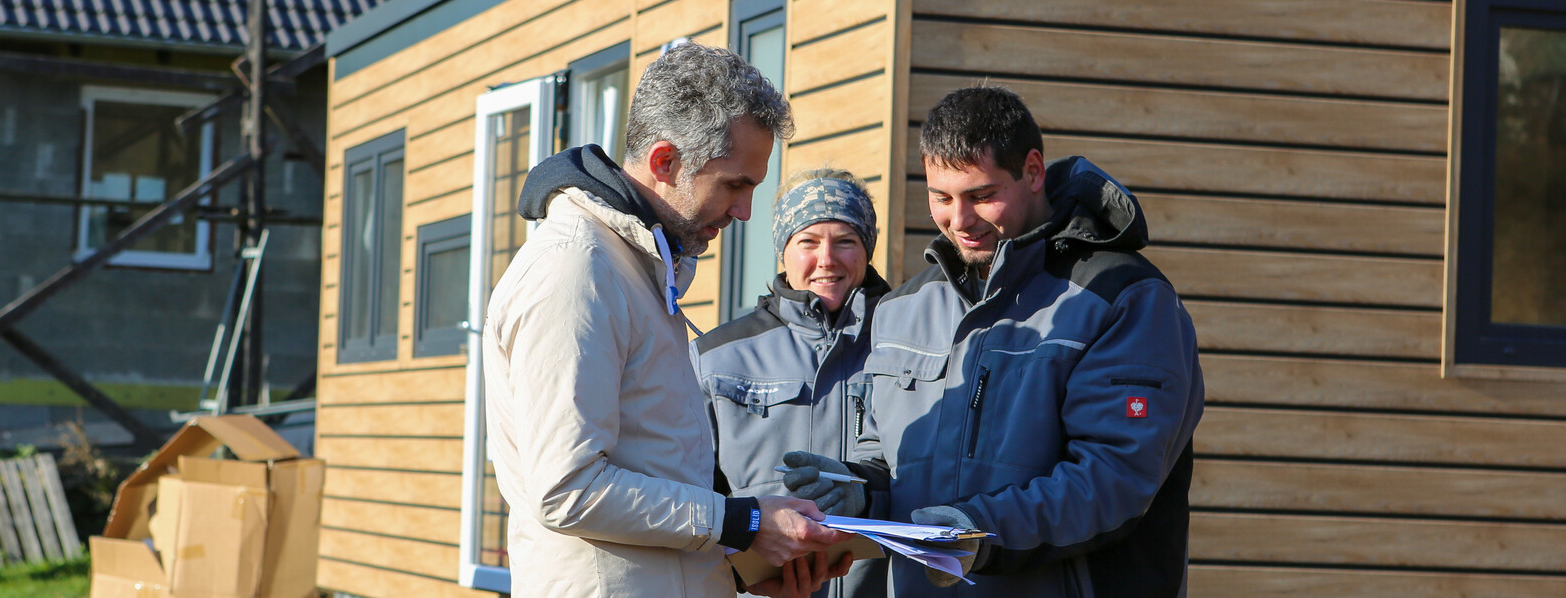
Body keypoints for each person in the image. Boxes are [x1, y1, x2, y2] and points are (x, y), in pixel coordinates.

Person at [779, 86, 1205, 596]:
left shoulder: (1124, 299)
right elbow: (888, 460)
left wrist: (975, 532)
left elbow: (1115, 480)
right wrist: (858, 493)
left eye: (981, 196)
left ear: (1032, 171)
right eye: (941, 197)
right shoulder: (902, 309)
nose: (959, 221)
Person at [484, 43, 850, 598]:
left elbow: (653, 473)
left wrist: (740, 567)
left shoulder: (636, 267)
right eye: (735, 184)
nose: (746, 211)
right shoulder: (576, 270)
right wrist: (744, 523)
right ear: (663, 162)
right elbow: (567, 491)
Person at [693, 170, 892, 598]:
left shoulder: (906, 348)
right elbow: (690, 495)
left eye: (845, 241)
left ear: (867, 250)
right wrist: (743, 575)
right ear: (783, 251)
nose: (827, 259)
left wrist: (867, 496)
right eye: (808, 242)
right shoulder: (716, 357)